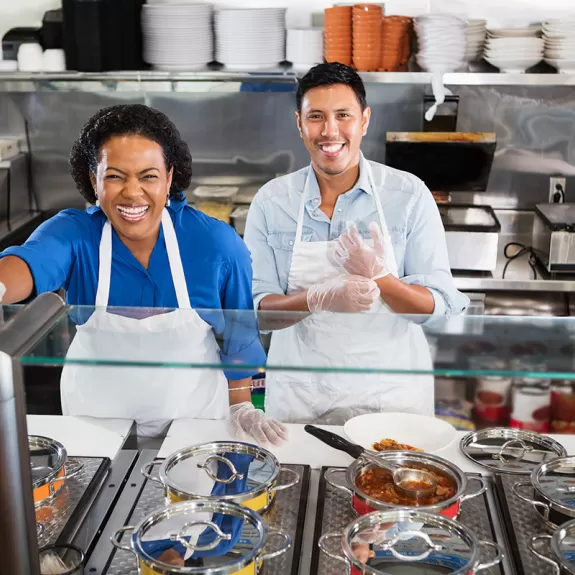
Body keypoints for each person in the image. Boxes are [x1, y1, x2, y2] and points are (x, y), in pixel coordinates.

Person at [0, 104, 286, 443]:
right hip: (94, 422)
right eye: (115, 176)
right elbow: (27, 264)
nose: (132, 192)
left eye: (148, 176)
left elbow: (240, 339)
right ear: (94, 181)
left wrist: (241, 405)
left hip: (191, 422)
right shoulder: (75, 235)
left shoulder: (216, 245)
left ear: (169, 179)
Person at [244, 63, 469, 425]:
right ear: (299, 123)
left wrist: (381, 278)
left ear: (364, 120)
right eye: (316, 116)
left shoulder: (408, 195)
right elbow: (257, 313)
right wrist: (318, 298)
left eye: (343, 115)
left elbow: (438, 310)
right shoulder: (272, 202)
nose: (329, 131)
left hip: (390, 394)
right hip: (302, 395)